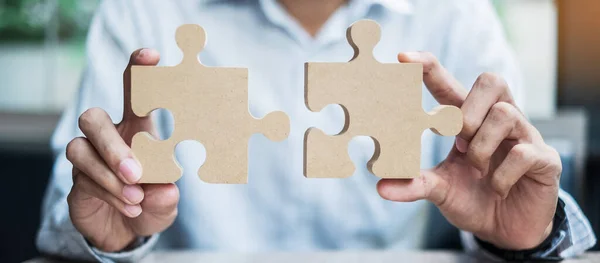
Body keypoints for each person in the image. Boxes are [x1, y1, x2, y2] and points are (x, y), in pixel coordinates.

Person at [37, 0, 596, 262]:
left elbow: (512, 183)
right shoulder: (138, 13)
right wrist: (106, 238)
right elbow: (72, 216)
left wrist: (527, 237)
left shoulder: (459, 17)